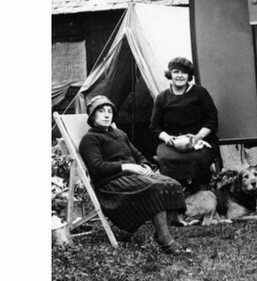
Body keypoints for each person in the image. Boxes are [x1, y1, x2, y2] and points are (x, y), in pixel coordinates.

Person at [78, 95, 190, 254]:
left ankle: (160, 234)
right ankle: (166, 241)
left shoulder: (120, 134)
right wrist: (127, 167)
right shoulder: (90, 139)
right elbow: (97, 167)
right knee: (156, 189)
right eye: (101, 111)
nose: (106, 115)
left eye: (109, 111)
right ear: (92, 116)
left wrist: (145, 165)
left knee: (173, 185)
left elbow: (137, 154)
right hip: (112, 185)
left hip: (133, 177)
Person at [150, 57, 219, 193]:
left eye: (184, 72)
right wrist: (167, 138)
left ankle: (202, 194)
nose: (180, 76)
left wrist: (197, 137)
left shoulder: (200, 93)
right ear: (170, 75)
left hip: (200, 140)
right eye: (176, 72)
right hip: (172, 142)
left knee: (197, 159)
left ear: (189, 76)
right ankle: (175, 197)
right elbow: (155, 126)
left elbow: (212, 121)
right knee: (166, 159)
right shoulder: (162, 97)